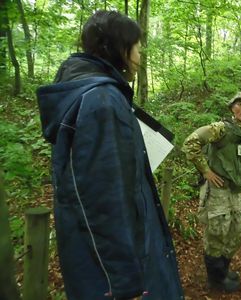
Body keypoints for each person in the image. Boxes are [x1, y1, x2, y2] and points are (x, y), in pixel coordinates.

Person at [37, 10, 184, 300]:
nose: (141, 54)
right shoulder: (102, 102)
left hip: (100, 260)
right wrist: (124, 283)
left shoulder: (92, 93)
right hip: (114, 274)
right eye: (137, 46)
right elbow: (102, 203)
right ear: (119, 48)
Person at [182, 91, 241, 293]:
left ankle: (223, 271)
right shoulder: (221, 129)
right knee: (217, 232)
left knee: (237, 231)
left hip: (236, 191)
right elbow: (191, 142)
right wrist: (206, 171)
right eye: (240, 104)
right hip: (217, 189)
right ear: (232, 108)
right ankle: (215, 280)